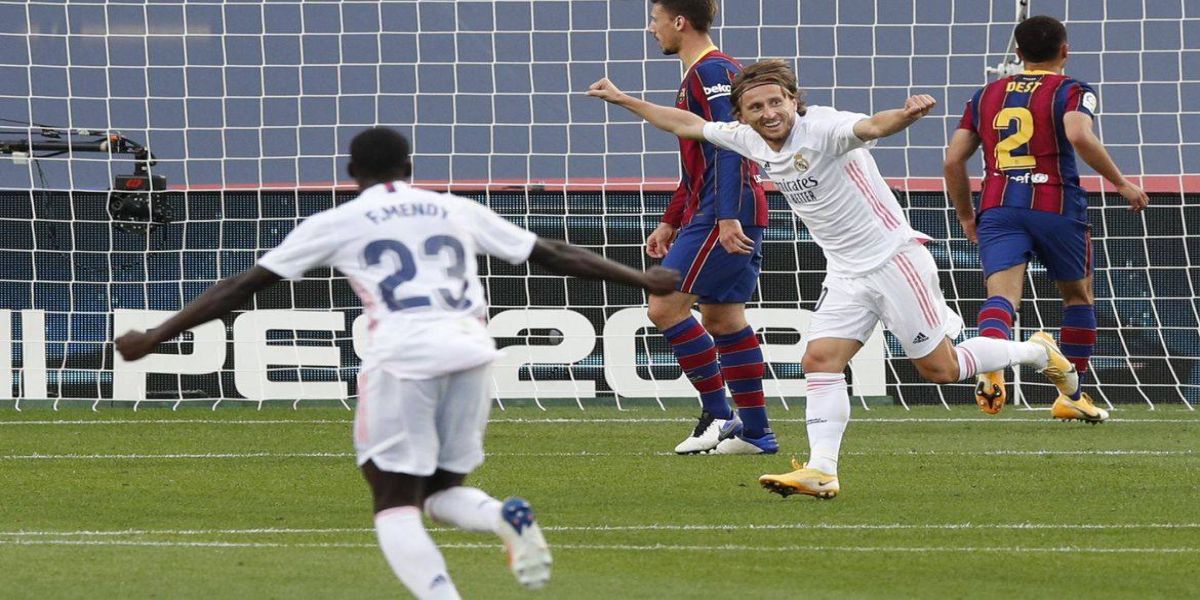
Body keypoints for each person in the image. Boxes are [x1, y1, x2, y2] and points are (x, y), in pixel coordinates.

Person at [115, 128, 680, 598]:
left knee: (392, 499)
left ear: (350, 171)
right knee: (438, 492)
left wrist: (158, 334)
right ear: (409, 166)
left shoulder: (340, 221)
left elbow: (243, 287)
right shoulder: (454, 207)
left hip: (404, 357)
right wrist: (641, 278)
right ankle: (501, 517)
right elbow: (554, 254)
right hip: (472, 353)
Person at [588, 59, 1079, 500]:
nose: (768, 113)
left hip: (894, 259)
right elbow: (688, 124)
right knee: (819, 359)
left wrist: (903, 116)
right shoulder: (747, 139)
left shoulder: (823, 127)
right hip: (845, 271)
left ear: (793, 102)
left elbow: (870, 126)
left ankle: (1037, 352)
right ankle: (822, 470)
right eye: (756, 106)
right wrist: (624, 99)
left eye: (776, 102)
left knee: (942, 370)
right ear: (742, 116)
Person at [944, 15, 1148, 419]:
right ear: (1065, 50)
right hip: (1056, 207)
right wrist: (1122, 183)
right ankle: (1072, 398)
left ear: (1017, 54)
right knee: (1077, 296)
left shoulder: (986, 94)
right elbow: (1078, 135)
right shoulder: (1071, 90)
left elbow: (952, 160)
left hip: (1000, 208)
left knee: (1001, 297)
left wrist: (968, 216)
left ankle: (992, 365)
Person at [645, 0, 776, 455]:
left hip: (726, 208)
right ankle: (756, 434)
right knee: (722, 318)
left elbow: (730, 147)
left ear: (679, 22)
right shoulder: (702, 73)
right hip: (724, 205)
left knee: (663, 306)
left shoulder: (711, 71)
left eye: (656, 20)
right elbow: (700, 162)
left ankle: (718, 415)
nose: (651, 29)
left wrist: (723, 216)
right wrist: (669, 220)